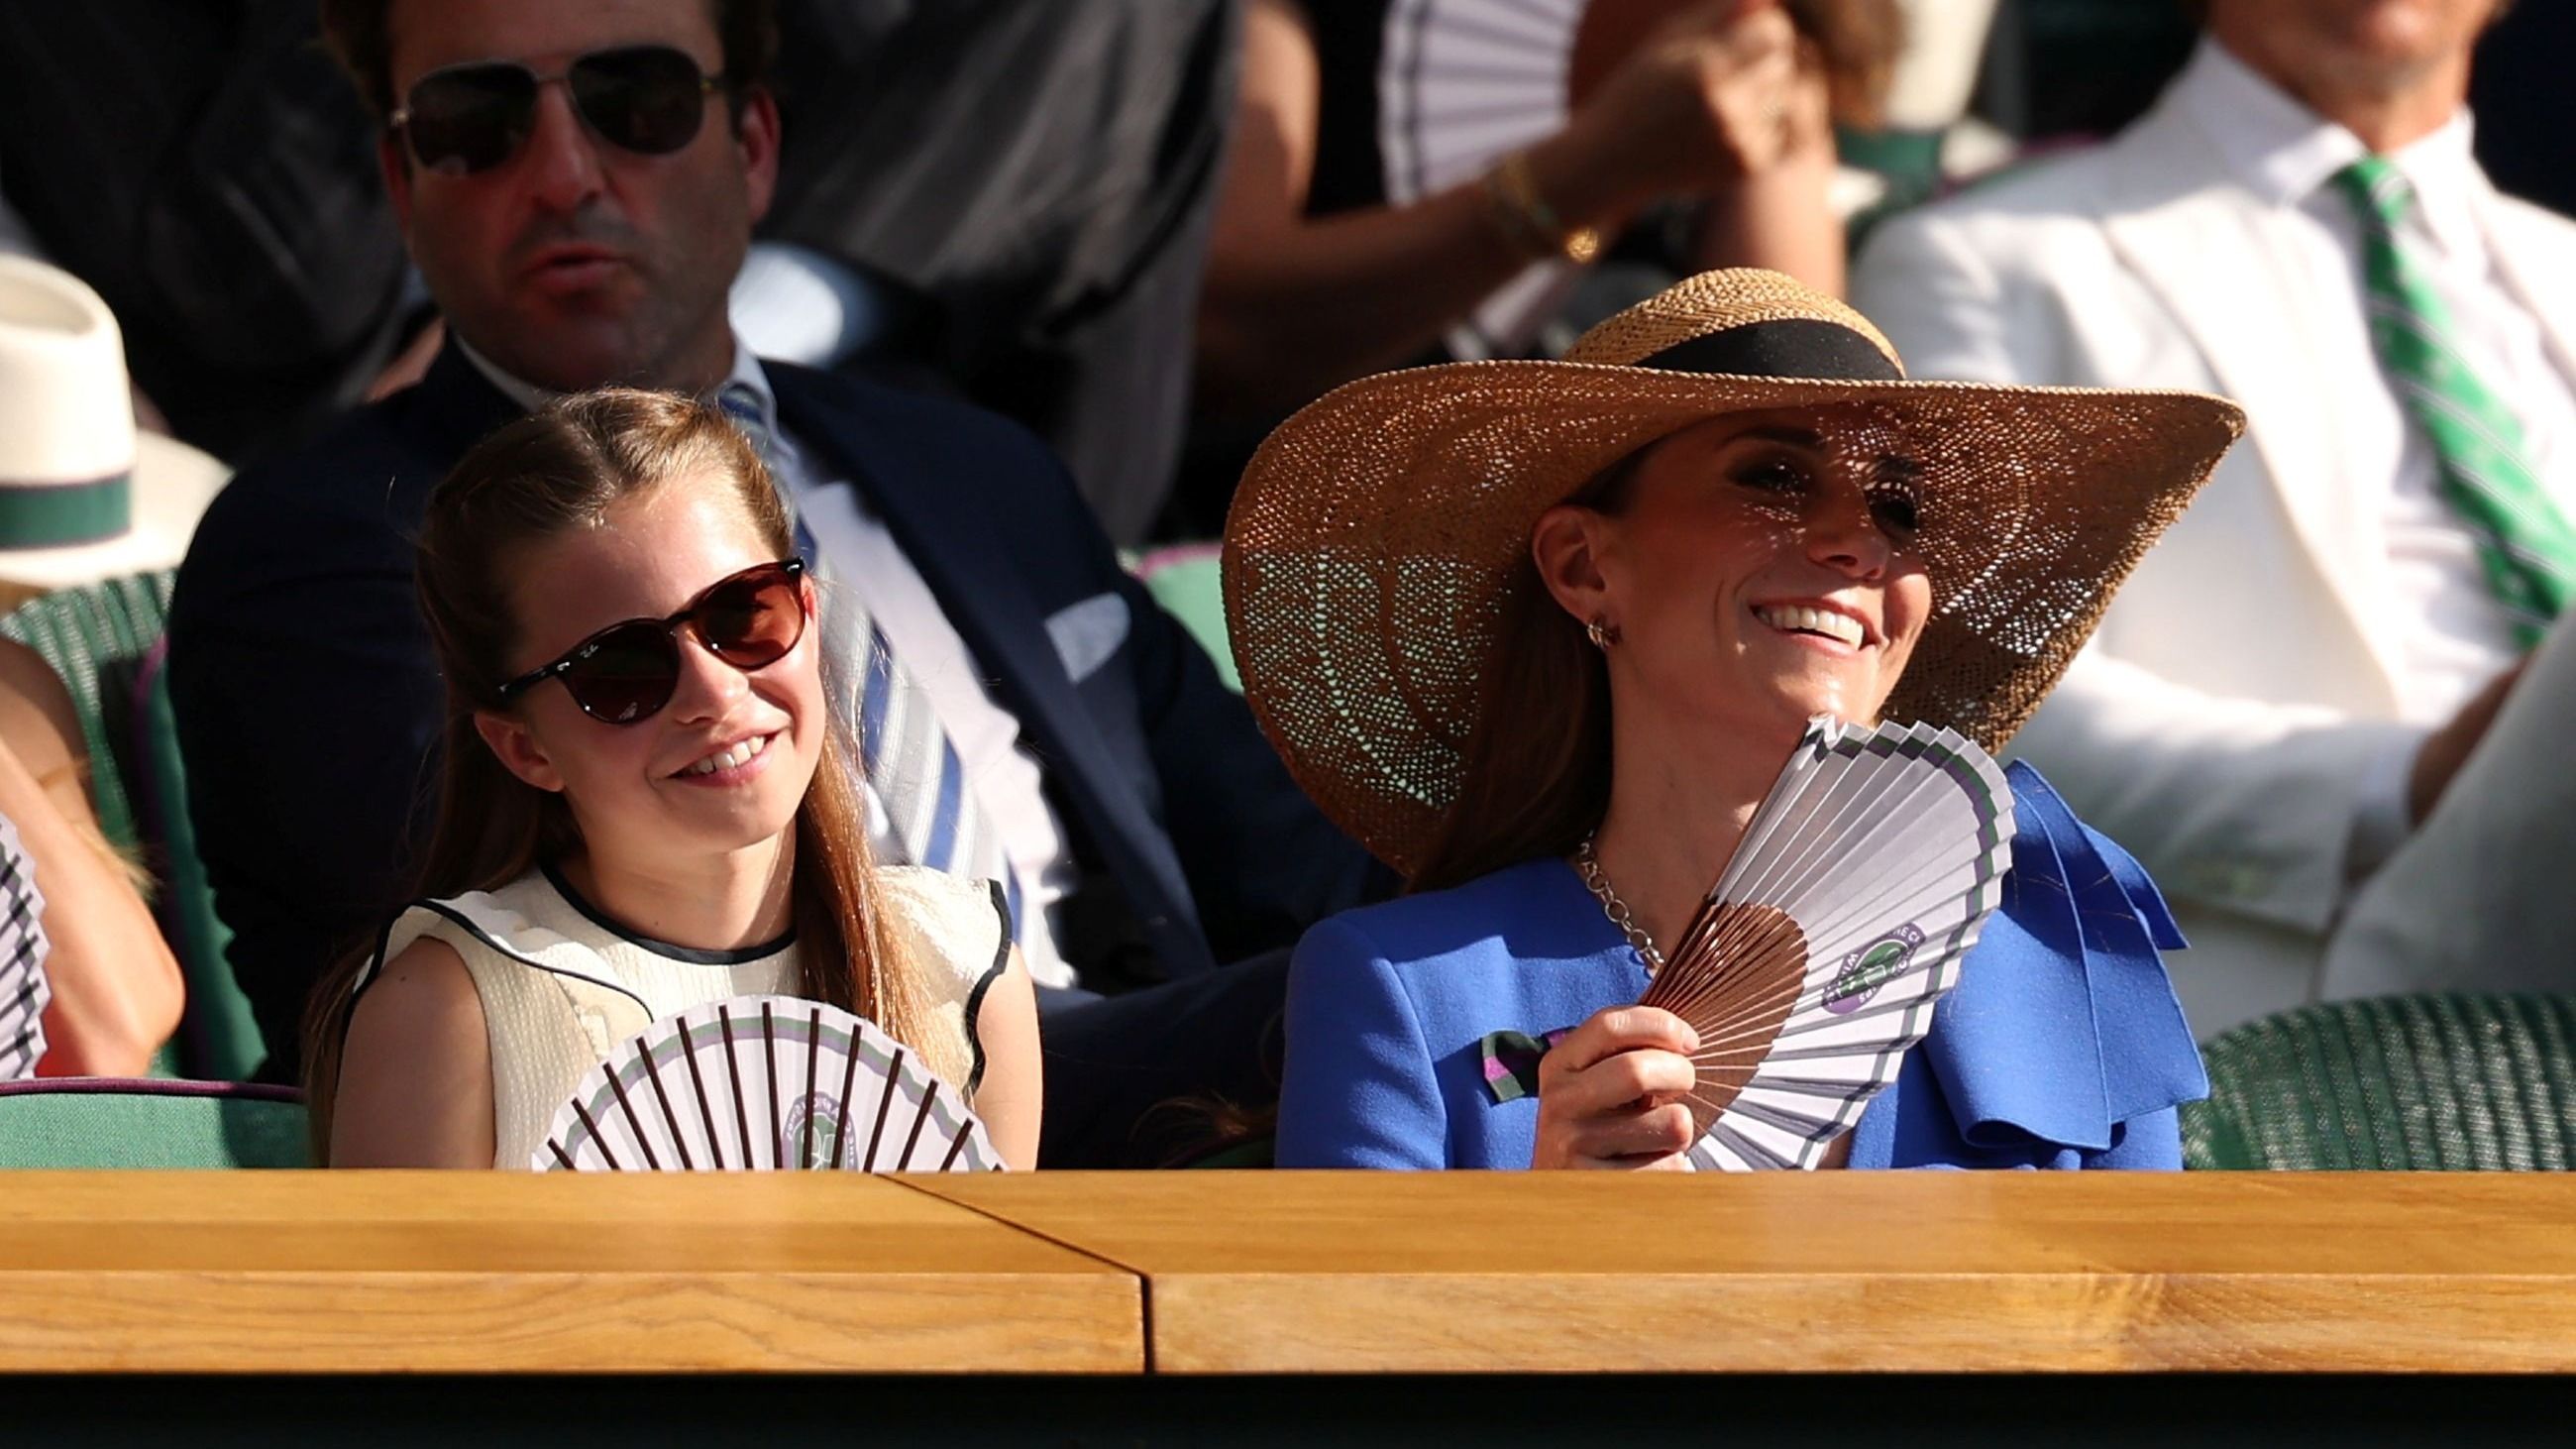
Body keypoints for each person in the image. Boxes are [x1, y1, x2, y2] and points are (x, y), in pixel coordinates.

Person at [167, 0, 1375, 1165]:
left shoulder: (972, 465)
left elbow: (1299, 859)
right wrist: (1370, 1002)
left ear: (753, 143)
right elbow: (681, 1049)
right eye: (473, 125)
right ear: (401, 183)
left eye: (633, 101)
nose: (564, 175)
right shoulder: (335, 545)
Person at [1234, 270, 2244, 1170]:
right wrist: (1548, 1248)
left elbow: (2142, 1356)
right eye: (1773, 476)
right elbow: (1354, 1379)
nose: (1855, 545)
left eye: (1900, 509)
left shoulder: (2046, 954)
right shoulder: (1408, 993)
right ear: (1584, 568)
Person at [1848, 0, 2576, 1033]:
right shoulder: (1989, 262)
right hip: (2337, 978)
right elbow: (1960, 698)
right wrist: (2405, 782)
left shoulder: (2557, 266)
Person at [306, 390, 1041, 1170]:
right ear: (525, 748)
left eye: (742, 615)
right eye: (621, 670)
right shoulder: (452, 1010)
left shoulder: (960, 964)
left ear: (808, 613)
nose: (715, 692)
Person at [1171, 0, 1896, 534]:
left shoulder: (1763, 53)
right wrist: (1575, 181)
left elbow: (1794, 417)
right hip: (1221, 537)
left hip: (1548, 611)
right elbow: (1216, 336)